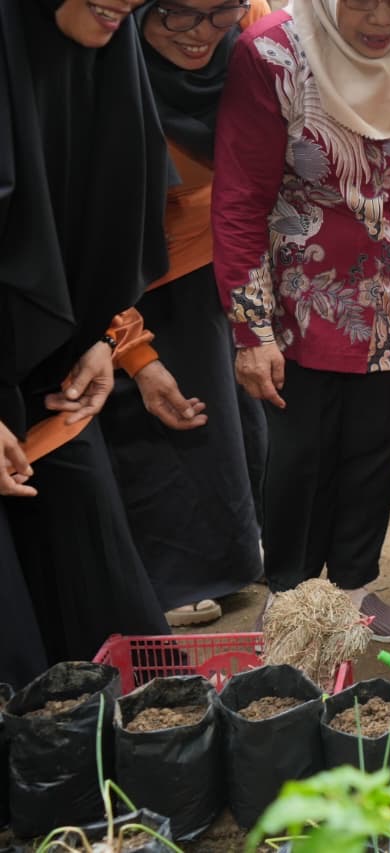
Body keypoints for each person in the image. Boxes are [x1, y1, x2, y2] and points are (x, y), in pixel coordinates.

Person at [213, 0, 390, 642]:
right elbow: (240, 202)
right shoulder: (272, 56)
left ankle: (353, 585)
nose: (382, 18)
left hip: (389, 307)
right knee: (297, 456)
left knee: (373, 450)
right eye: (361, 1)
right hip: (295, 307)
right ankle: (291, 593)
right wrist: (252, 331)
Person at [1, 0, 179, 674]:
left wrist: (107, 337)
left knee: (114, 617)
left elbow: (117, 209)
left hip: (51, 389)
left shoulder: (111, 45)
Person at [97, 0, 274, 629]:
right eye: (178, 17)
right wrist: (135, 351)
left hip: (228, 265)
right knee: (159, 433)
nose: (201, 35)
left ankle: (234, 555)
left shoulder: (252, 44)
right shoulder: (101, 69)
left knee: (232, 424)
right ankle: (177, 575)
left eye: (221, 12)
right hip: (131, 279)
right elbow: (78, 232)